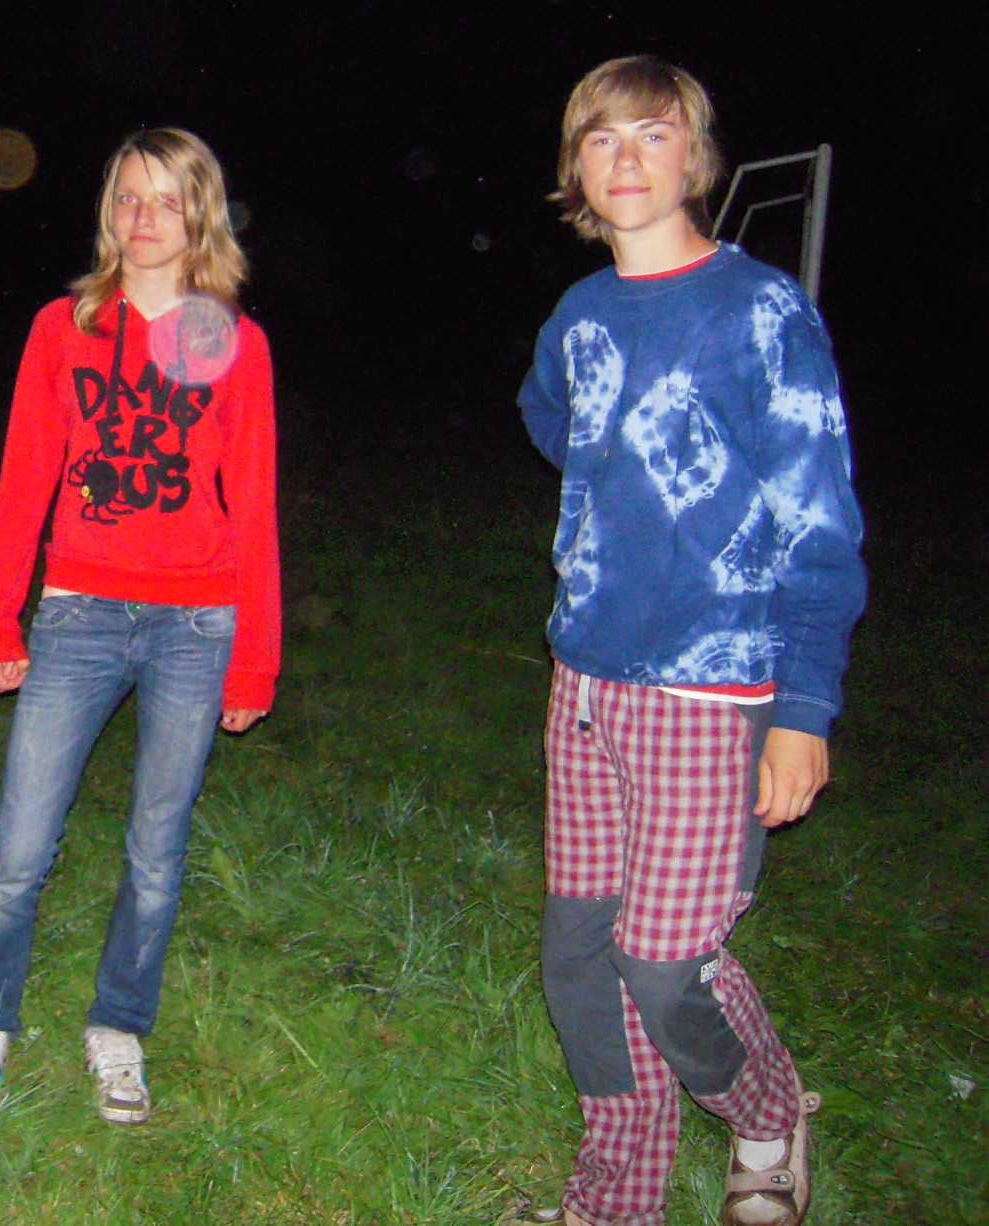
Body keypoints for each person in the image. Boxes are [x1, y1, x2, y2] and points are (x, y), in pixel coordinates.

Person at [515, 58, 866, 1226]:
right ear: (576, 168)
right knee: (579, 956)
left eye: (652, 135)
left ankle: (767, 1111)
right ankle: (619, 1190)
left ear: (696, 159)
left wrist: (802, 707)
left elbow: (821, 520)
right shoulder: (580, 314)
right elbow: (549, 412)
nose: (626, 160)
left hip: (711, 697)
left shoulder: (757, 311)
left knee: (663, 963)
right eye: (601, 139)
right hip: (583, 683)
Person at [0, 128, 280, 1124]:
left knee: (155, 851)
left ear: (199, 214)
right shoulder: (66, 326)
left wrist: (255, 662)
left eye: (168, 200)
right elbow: (24, 477)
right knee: (20, 843)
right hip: (79, 614)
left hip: (196, 623)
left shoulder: (233, 341)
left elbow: (254, 506)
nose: (145, 218)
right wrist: (0, 618)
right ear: (108, 210)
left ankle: (119, 1026)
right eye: (129, 196)